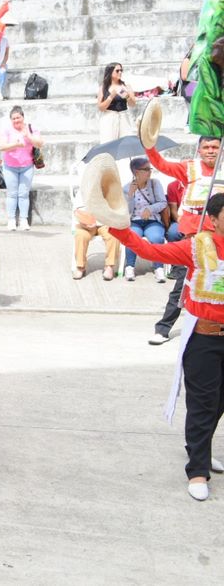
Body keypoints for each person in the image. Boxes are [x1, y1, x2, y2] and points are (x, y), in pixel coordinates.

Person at [88, 164, 224, 501]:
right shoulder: (196, 247)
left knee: (219, 403)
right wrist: (120, 229)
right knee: (203, 403)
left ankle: (201, 447)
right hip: (204, 338)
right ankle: (197, 469)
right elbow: (151, 251)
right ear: (215, 219)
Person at [151, 179, 187, 344]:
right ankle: (163, 329)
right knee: (181, 289)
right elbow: (177, 214)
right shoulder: (184, 190)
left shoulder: (215, 185)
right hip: (193, 246)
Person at [0, 105, 44, 231]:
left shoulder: (31, 128)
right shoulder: (6, 130)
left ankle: (24, 220)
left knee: (23, 194)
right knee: (12, 194)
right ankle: (11, 220)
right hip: (10, 166)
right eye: (13, 119)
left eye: (18, 118)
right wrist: (16, 144)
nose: (16, 121)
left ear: (23, 117)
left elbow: (40, 143)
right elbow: (2, 146)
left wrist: (28, 136)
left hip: (27, 166)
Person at [122, 157, 167, 282]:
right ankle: (130, 266)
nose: (150, 171)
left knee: (157, 238)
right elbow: (126, 211)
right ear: (136, 172)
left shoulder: (154, 183)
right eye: (146, 169)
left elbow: (163, 202)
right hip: (134, 221)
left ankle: (158, 267)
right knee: (132, 237)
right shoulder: (126, 188)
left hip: (152, 220)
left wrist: (150, 209)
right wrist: (130, 195)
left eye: (150, 168)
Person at [71, 203, 119, 281]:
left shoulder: (109, 191)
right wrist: (85, 221)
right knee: (80, 235)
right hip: (86, 224)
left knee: (114, 235)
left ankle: (109, 266)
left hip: (105, 223)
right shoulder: (83, 191)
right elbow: (77, 209)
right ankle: (80, 267)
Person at [97, 62, 137, 143]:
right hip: (109, 118)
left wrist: (127, 96)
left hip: (123, 117)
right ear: (110, 72)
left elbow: (133, 104)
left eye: (121, 70)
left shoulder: (126, 86)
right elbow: (101, 108)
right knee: (108, 143)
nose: (120, 72)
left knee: (126, 144)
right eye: (117, 71)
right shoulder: (103, 87)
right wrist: (111, 97)